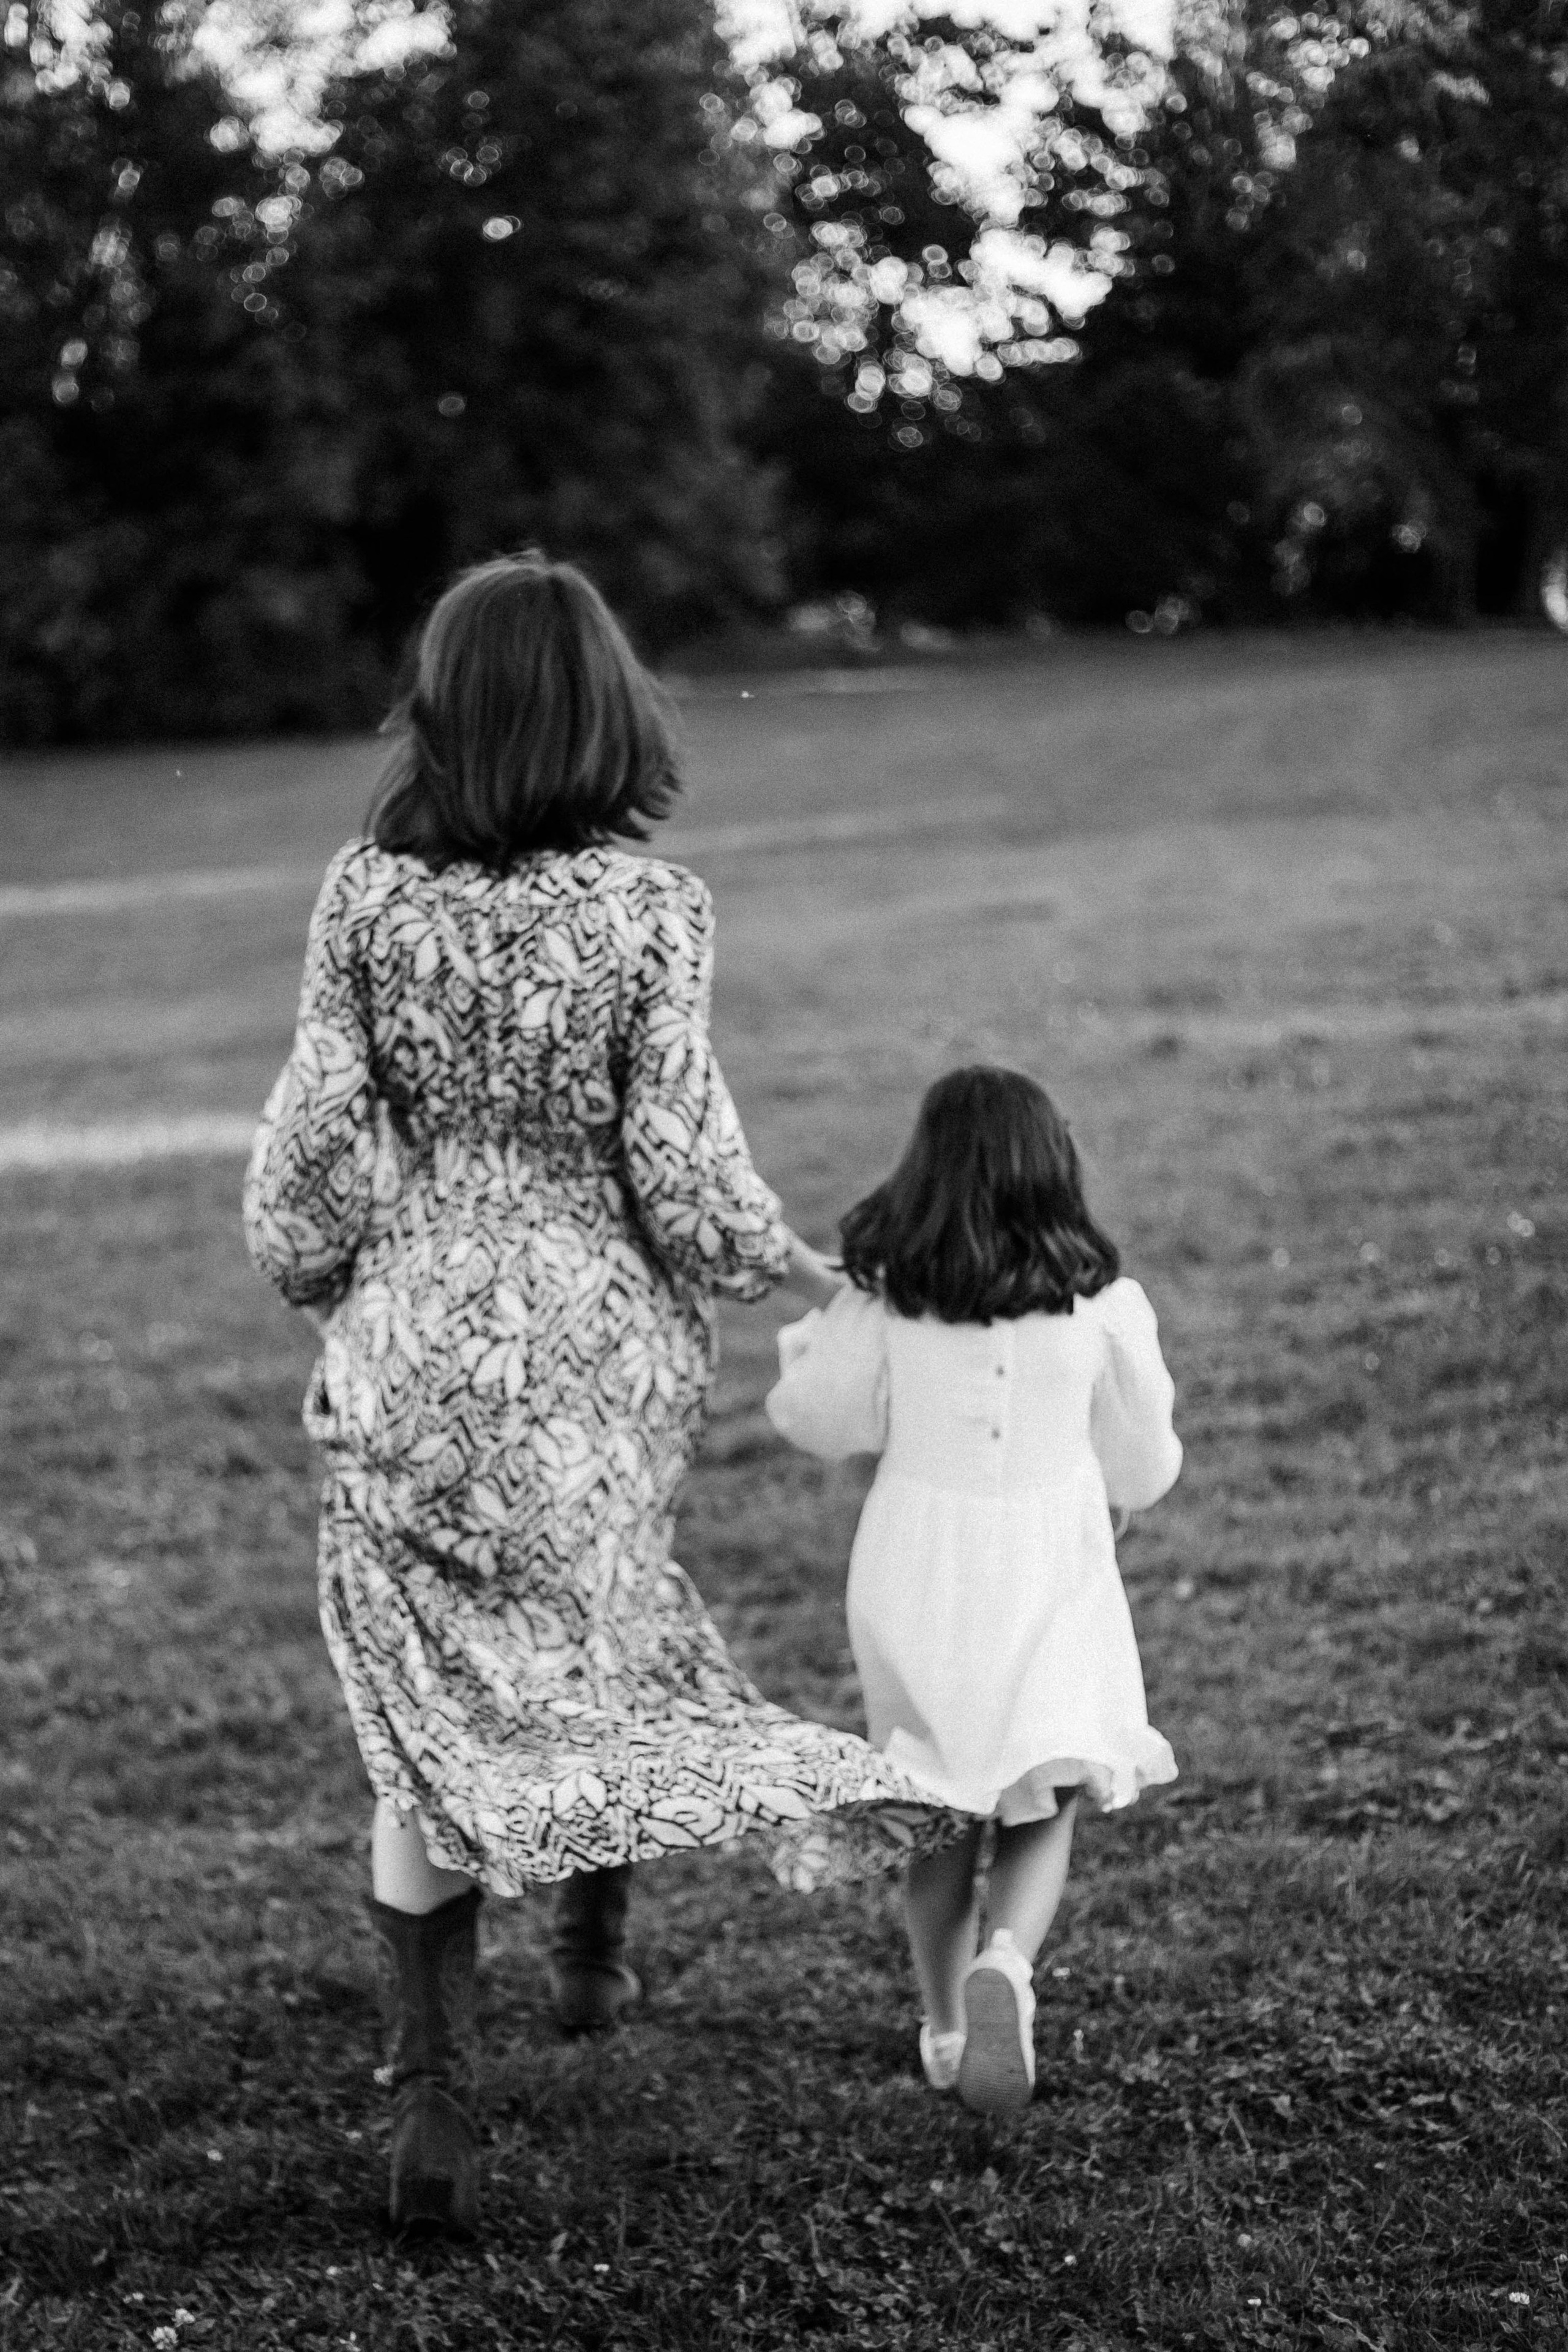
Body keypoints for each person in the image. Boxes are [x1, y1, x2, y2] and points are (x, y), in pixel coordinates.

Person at [243, 551, 952, 2236]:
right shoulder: (654, 911)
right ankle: (594, 1957)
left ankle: (431, 2097)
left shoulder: (367, 893)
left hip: (419, 1338)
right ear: (604, 711)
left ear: (448, 710)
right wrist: (799, 1271)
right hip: (599, 1351)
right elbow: (682, 1168)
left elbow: (319, 1137)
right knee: (597, 1637)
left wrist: (322, 1271)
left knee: (437, 1721)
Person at [765, 1066, 1183, 2116]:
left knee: (940, 1806)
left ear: (929, 1175)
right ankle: (1009, 1960)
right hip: (1051, 1558)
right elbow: (1145, 1471)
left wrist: (828, 1321)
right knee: (1048, 1785)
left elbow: (818, 1422)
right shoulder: (1104, 1310)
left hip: (915, 1567)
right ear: (1057, 1171)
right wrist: (1113, 1483)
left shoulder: (890, 1303)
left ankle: (949, 2027)